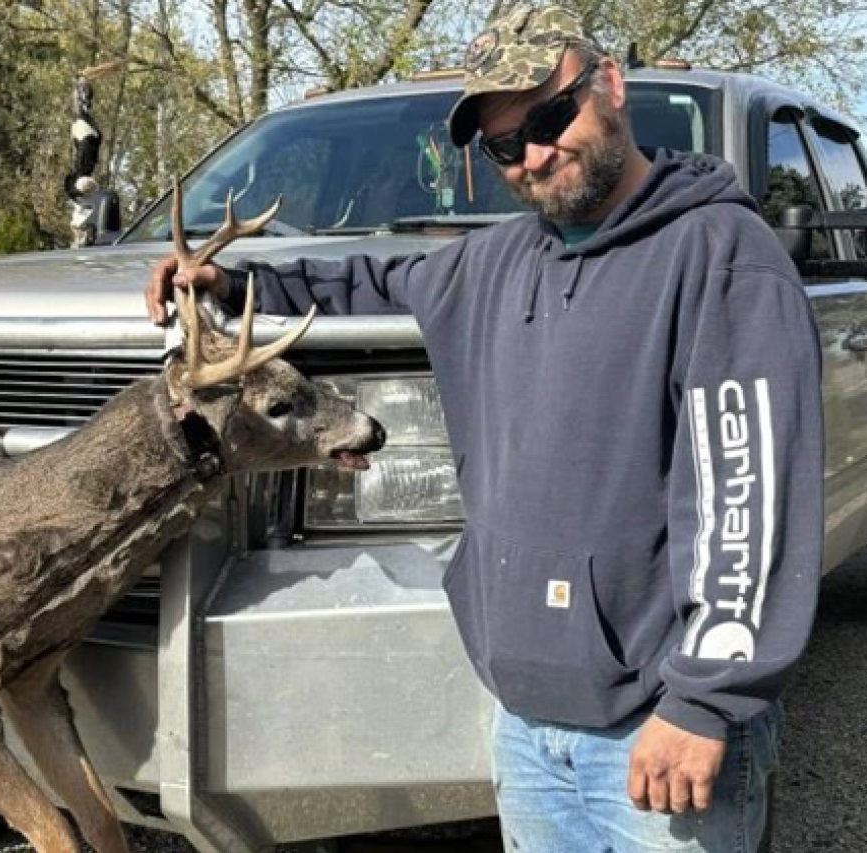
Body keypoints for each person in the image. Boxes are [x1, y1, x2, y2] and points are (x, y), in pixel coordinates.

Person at [145, 5, 824, 851]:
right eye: (506, 144)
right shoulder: (493, 262)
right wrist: (225, 283)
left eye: (549, 117)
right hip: (527, 726)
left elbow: (750, 499)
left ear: (608, 86)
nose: (534, 153)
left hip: (656, 728)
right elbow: (362, 284)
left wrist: (707, 700)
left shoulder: (720, 255)